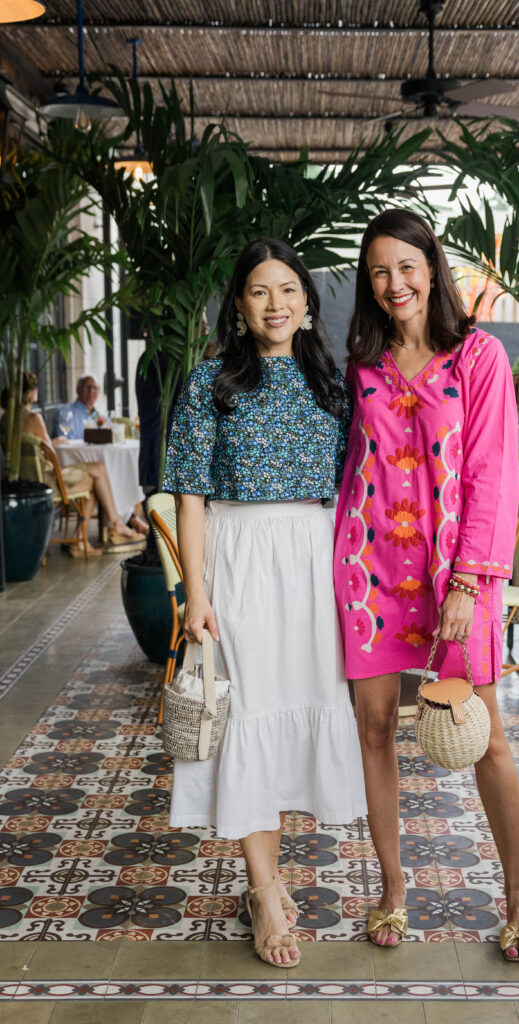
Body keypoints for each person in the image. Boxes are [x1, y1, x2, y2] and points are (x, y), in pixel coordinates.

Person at [334, 209, 519, 962]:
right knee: (375, 728)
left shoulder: (477, 357)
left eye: (407, 266)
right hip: (369, 570)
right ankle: (391, 889)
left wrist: (469, 582)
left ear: (432, 268)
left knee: (480, 733)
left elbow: (492, 475)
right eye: (379, 270)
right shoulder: (362, 365)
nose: (394, 284)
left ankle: (517, 893)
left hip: (458, 573)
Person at [163, 239, 367, 968]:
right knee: (247, 714)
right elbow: (187, 496)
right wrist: (195, 592)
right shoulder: (209, 382)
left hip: (314, 563)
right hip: (239, 559)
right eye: (258, 291)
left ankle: (268, 879)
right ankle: (262, 888)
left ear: (307, 303)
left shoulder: (334, 387)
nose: (275, 302)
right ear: (240, 307)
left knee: (294, 711)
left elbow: (356, 493)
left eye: (287, 289)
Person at [1, 373, 144, 555]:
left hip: (25, 480)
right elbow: (49, 452)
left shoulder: (6, 418)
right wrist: (55, 442)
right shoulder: (33, 418)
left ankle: (86, 536)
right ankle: (113, 525)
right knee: (98, 470)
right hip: (47, 480)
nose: (38, 391)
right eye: (35, 388)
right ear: (28, 394)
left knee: (95, 477)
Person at [51, 375, 111, 440]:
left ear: (98, 392)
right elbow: (65, 441)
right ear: (78, 390)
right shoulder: (65, 412)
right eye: (87, 387)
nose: (91, 391)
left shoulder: (100, 416)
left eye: (94, 387)